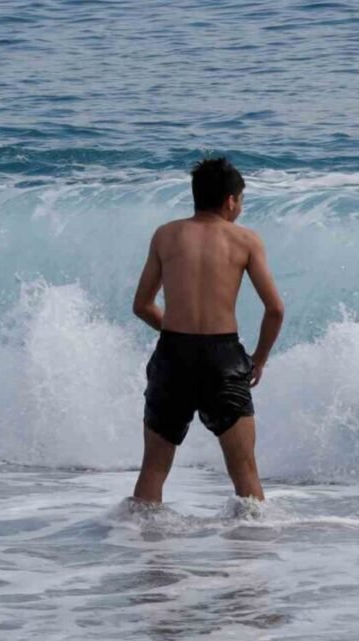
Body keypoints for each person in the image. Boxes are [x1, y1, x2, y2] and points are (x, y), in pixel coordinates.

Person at [130, 157, 285, 503]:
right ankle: (252, 538)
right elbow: (275, 310)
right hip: (223, 358)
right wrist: (258, 360)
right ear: (230, 200)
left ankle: (138, 537)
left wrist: (175, 330)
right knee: (245, 473)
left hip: (173, 355)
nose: (240, 207)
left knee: (153, 469)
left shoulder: (166, 235)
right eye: (241, 200)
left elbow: (142, 305)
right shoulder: (245, 240)